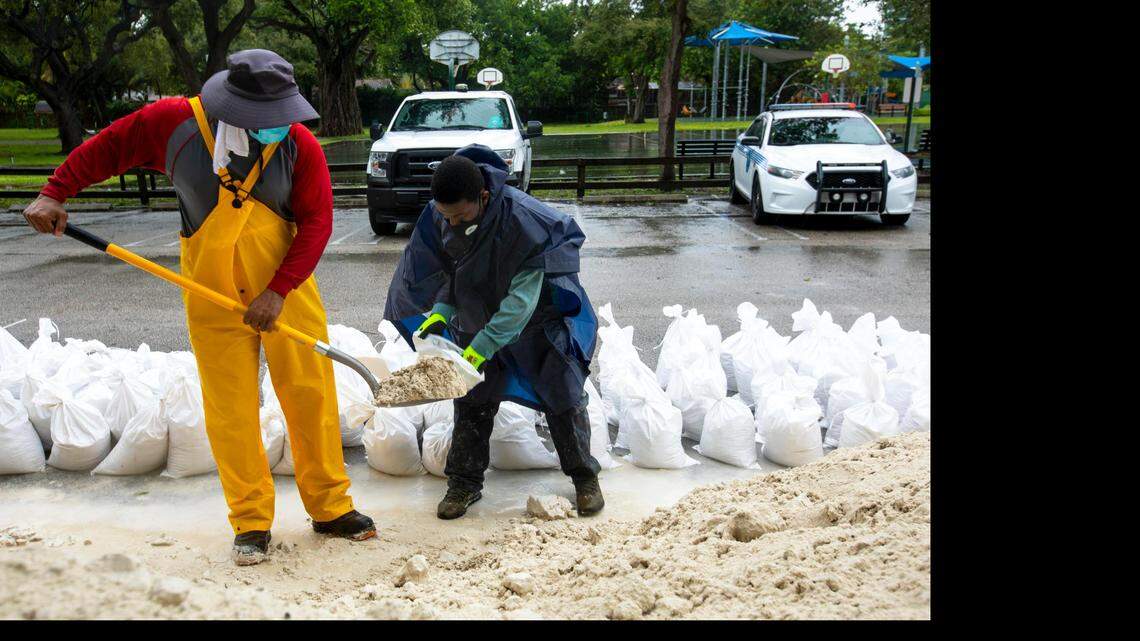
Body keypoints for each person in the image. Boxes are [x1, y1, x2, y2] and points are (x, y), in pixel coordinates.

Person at [21, 49, 375, 565]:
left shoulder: (298, 145)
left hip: (287, 290)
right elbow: (109, 147)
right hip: (212, 293)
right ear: (234, 107)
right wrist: (56, 191)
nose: (276, 125)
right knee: (230, 409)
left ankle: (330, 507)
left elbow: (318, 221)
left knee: (309, 395)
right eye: (265, 117)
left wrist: (278, 291)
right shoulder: (174, 124)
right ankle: (251, 521)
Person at [384, 144, 604, 520]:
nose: (452, 223)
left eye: (459, 215)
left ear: (483, 197)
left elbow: (520, 303)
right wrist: (440, 313)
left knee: (563, 397)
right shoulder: (444, 214)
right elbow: (453, 272)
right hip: (478, 316)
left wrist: (480, 348)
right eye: (446, 216)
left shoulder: (526, 223)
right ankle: (464, 483)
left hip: (536, 325)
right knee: (472, 399)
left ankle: (584, 478)